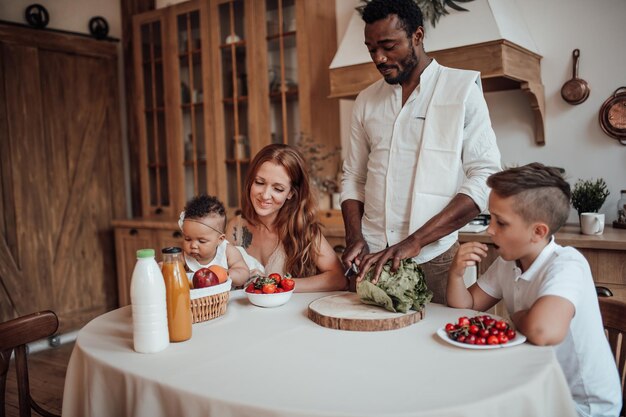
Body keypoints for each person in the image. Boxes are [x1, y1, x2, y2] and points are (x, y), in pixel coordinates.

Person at [341, 0, 501, 303]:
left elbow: (486, 176)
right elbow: (353, 176)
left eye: (388, 46)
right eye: (371, 48)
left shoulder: (462, 88)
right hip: (371, 258)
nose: (379, 58)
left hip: (436, 258)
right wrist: (354, 237)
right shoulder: (366, 100)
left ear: (417, 35)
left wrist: (416, 241)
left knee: (438, 346)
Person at [446, 163, 621, 417]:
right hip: (536, 385)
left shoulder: (567, 264)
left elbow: (542, 331)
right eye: (491, 218)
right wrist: (456, 274)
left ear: (538, 232)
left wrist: (514, 319)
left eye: (501, 223)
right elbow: (468, 305)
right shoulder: (508, 261)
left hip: (582, 406)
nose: (490, 229)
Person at [226, 144, 347, 292]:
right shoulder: (235, 228)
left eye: (278, 189)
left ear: (291, 193)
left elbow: (338, 278)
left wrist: (278, 284)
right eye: (259, 182)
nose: (265, 195)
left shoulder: (303, 229)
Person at [179, 194, 250, 288]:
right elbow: (171, 266)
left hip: (225, 299)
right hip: (200, 301)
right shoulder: (184, 256)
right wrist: (162, 266)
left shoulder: (228, 251)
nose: (193, 245)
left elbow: (243, 272)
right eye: (187, 239)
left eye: (202, 241)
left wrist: (226, 273)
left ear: (220, 239)